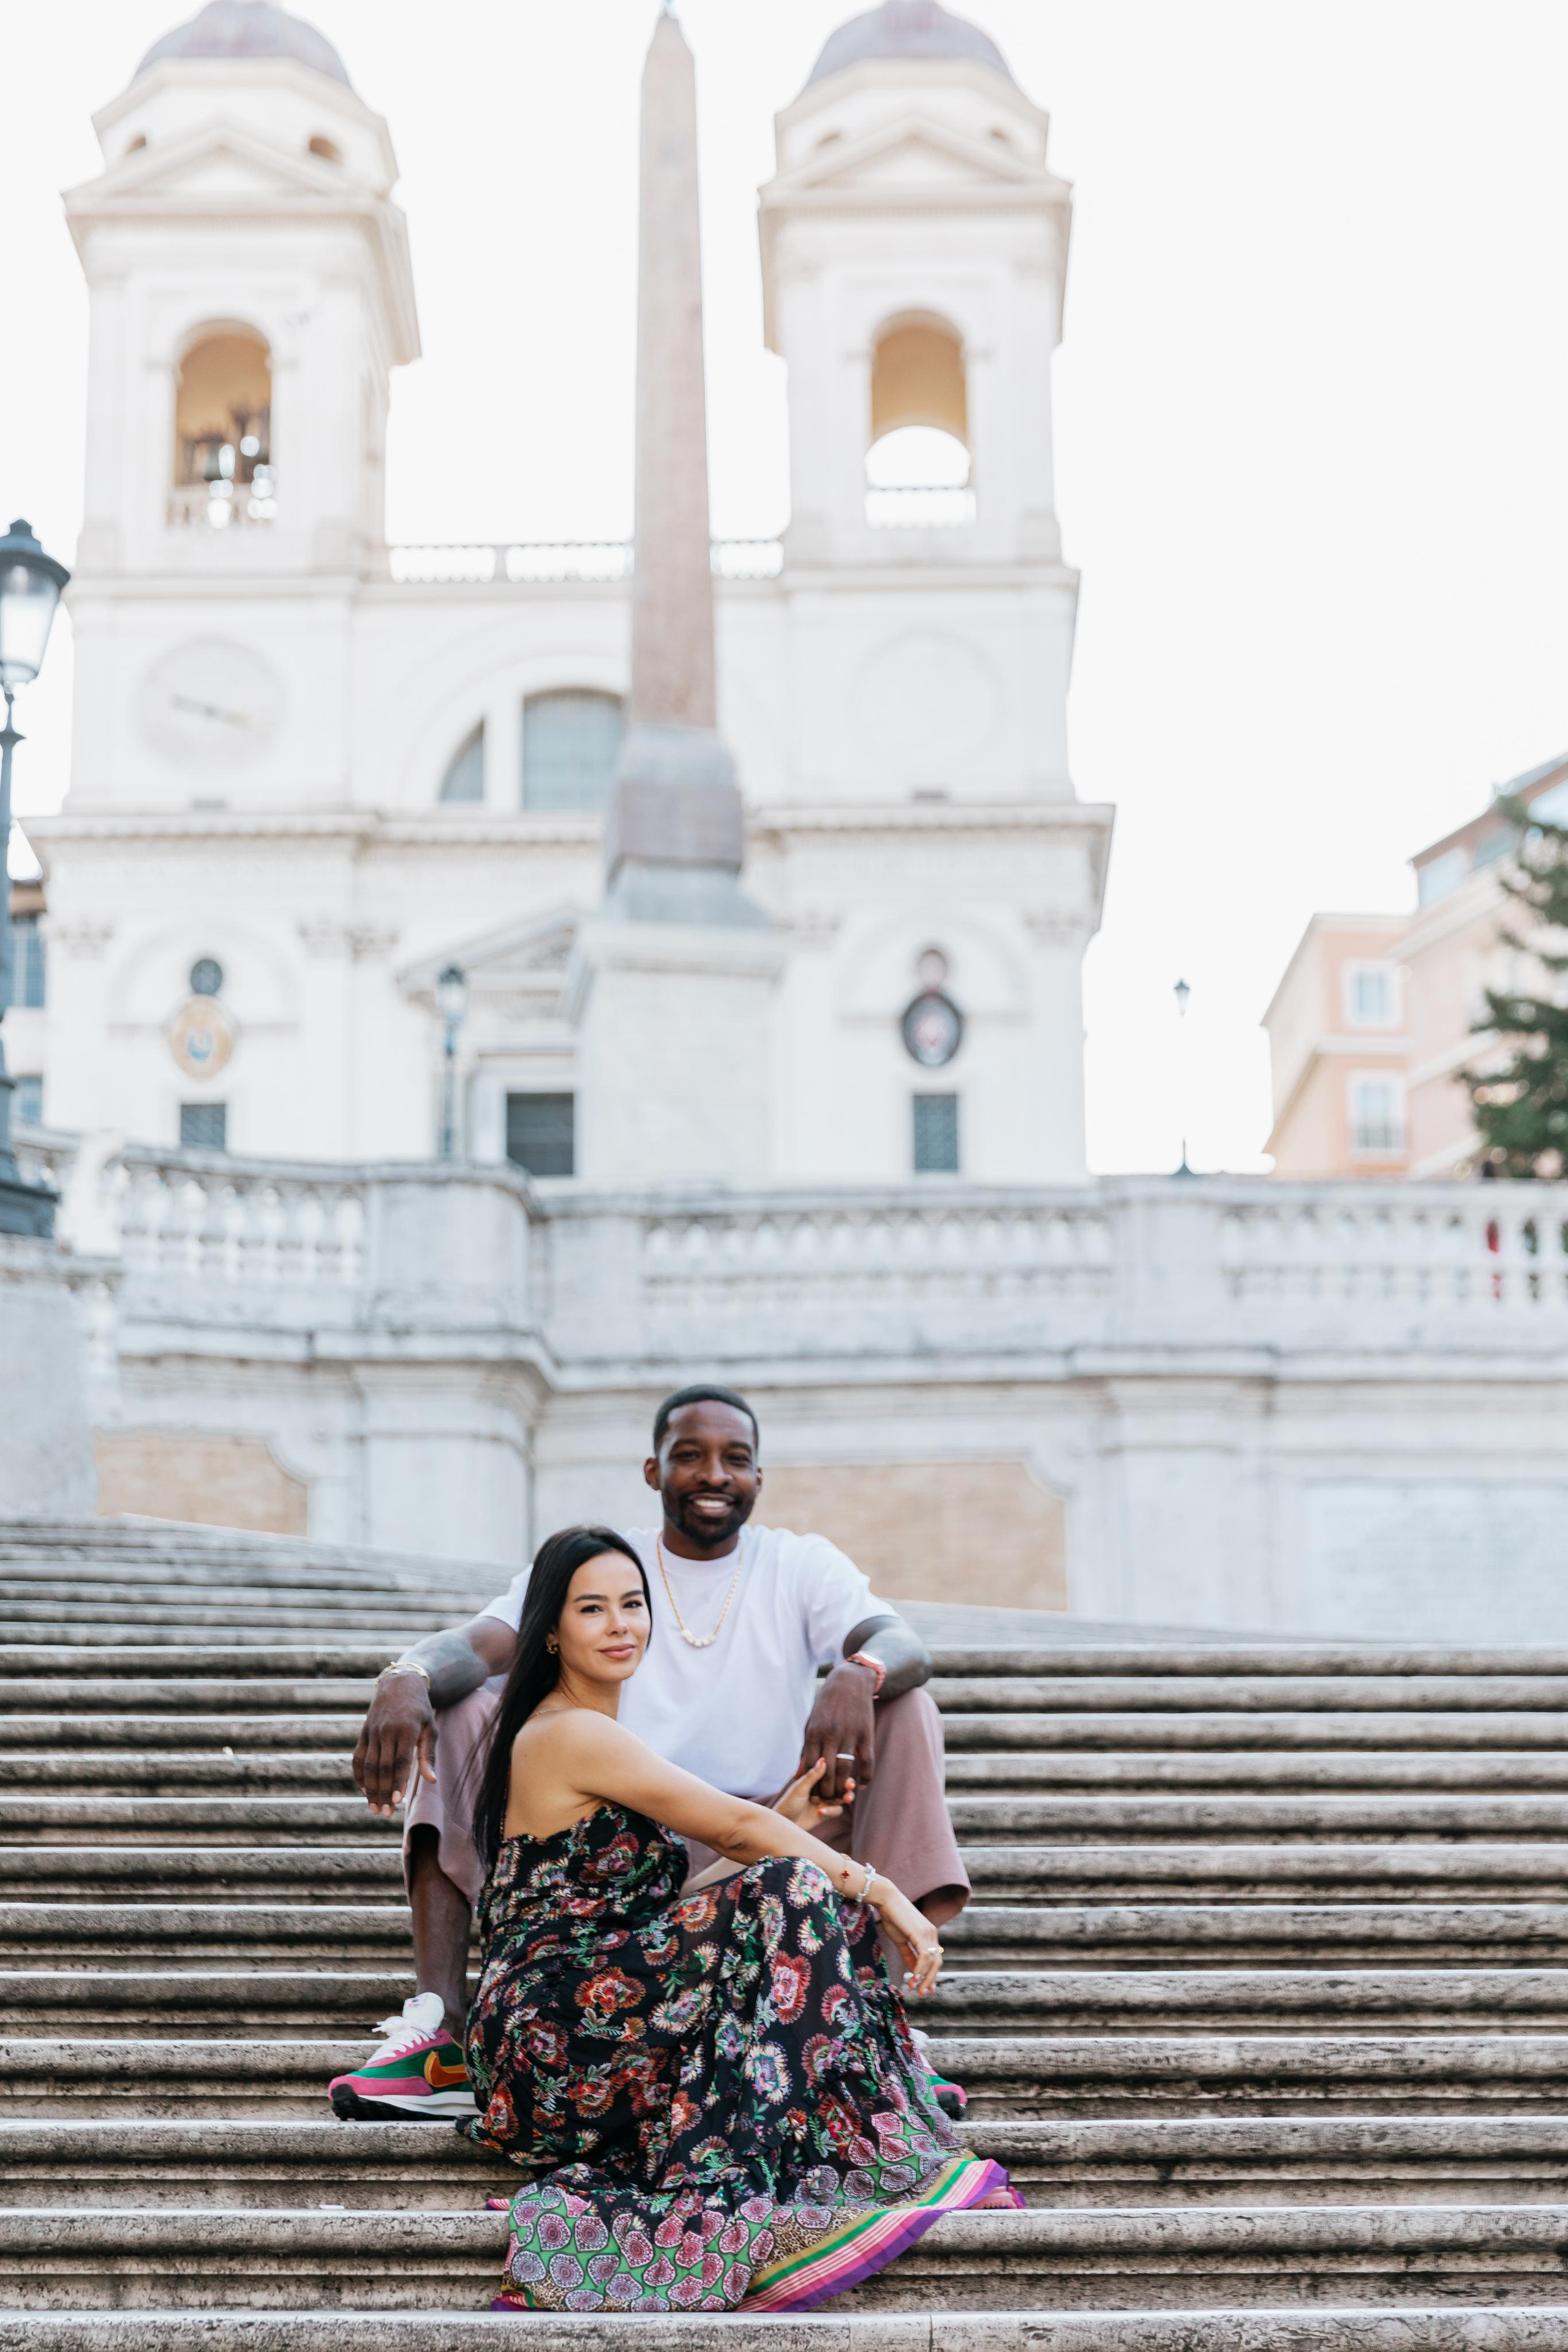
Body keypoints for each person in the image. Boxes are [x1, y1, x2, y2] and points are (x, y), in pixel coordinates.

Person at [330, 1384, 969, 2123]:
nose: (714, 1475)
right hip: (627, 1844)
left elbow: (903, 1647)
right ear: (651, 1470)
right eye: (688, 1456)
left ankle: (879, 2026)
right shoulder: (605, 1567)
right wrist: (406, 1676)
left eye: (735, 1459)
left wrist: (859, 1675)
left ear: (759, 1477)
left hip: (739, 1839)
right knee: (462, 1700)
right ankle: (439, 2023)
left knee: (905, 1701)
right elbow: (476, 1648)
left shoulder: (798, 1564)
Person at [454, 1524, 1016, 2314]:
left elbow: (673, 1909)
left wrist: (789, 1817)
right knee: (797, 1887)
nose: (622, 1625)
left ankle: (789, 2141)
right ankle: (775, 2163)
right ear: (550, 1631)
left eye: (633, 1603)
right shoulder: (571, 1731)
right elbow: (734, 1831)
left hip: (585, 2020)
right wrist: (882, 1891)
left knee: (796, 1893)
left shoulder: (594, 1732)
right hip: (549, 2042)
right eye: (593, 1610)